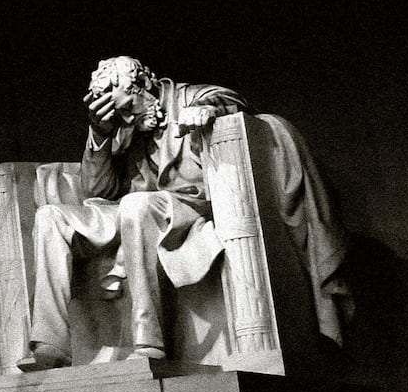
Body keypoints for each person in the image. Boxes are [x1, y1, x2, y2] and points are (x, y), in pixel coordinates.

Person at [17, 56, 247, 370]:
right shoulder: (128, 125)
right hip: (133, 210)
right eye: (119, 114)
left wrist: (210, 111)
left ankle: (150, 341)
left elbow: (232, 101)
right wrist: (100, 133)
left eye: (127, 108)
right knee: (50, 217)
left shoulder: (188, 98)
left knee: (135, 206)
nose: (125, 118)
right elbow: (101, 189)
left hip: (186, 208)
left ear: (145, 85)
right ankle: (50, 344)